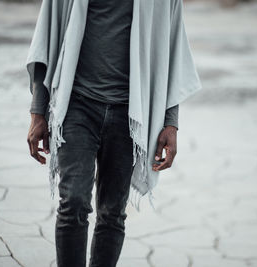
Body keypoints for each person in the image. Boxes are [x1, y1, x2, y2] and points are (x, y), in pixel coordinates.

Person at [26, 0, 202, 266]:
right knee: (73, 202)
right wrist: (38, 111)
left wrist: (171, 122)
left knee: (112, 213)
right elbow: (46, 37)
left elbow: (171, 48)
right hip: (76, 104)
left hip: (130, 115)